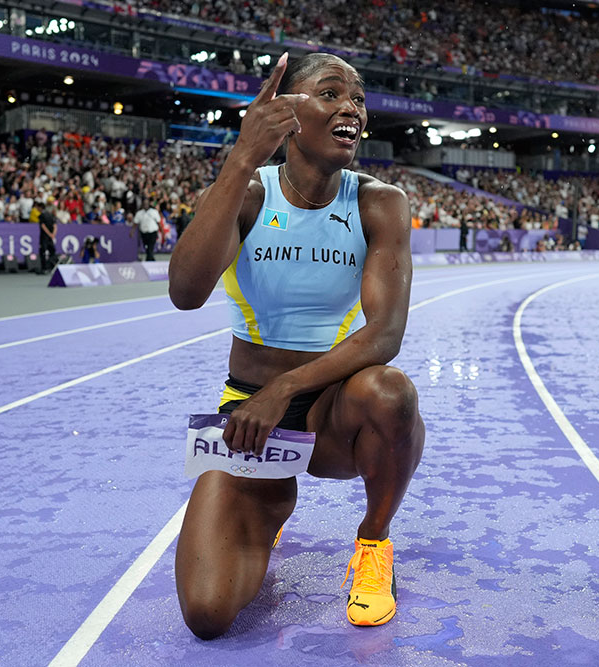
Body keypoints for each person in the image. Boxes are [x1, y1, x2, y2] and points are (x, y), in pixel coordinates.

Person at [168, 52, 424, 639]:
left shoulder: (379, 203)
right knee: (207, 615)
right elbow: (186, 292)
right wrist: (240, 159)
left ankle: (374, 543)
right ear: (287, 111)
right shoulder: (250, 194)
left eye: (358, 98)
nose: (351, 109)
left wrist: (285, 388)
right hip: (249, 421)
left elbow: (385, 335)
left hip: (332, 414)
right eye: (331, 93)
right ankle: (269, 498)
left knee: (390, 391)